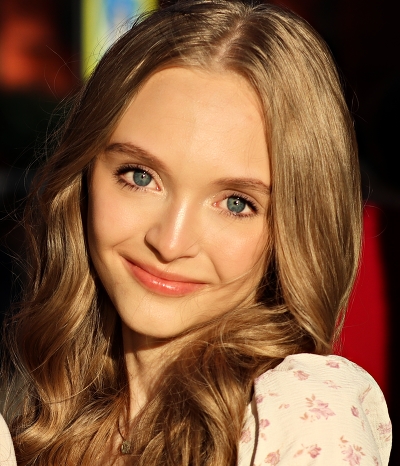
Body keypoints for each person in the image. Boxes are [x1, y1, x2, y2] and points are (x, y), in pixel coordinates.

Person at [1, 0, 392, 465]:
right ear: (84, 175)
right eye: (140, 176)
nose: (170, 243)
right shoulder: (39, 407)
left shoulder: (301, 410)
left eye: (236, 203)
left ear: (294, 228)